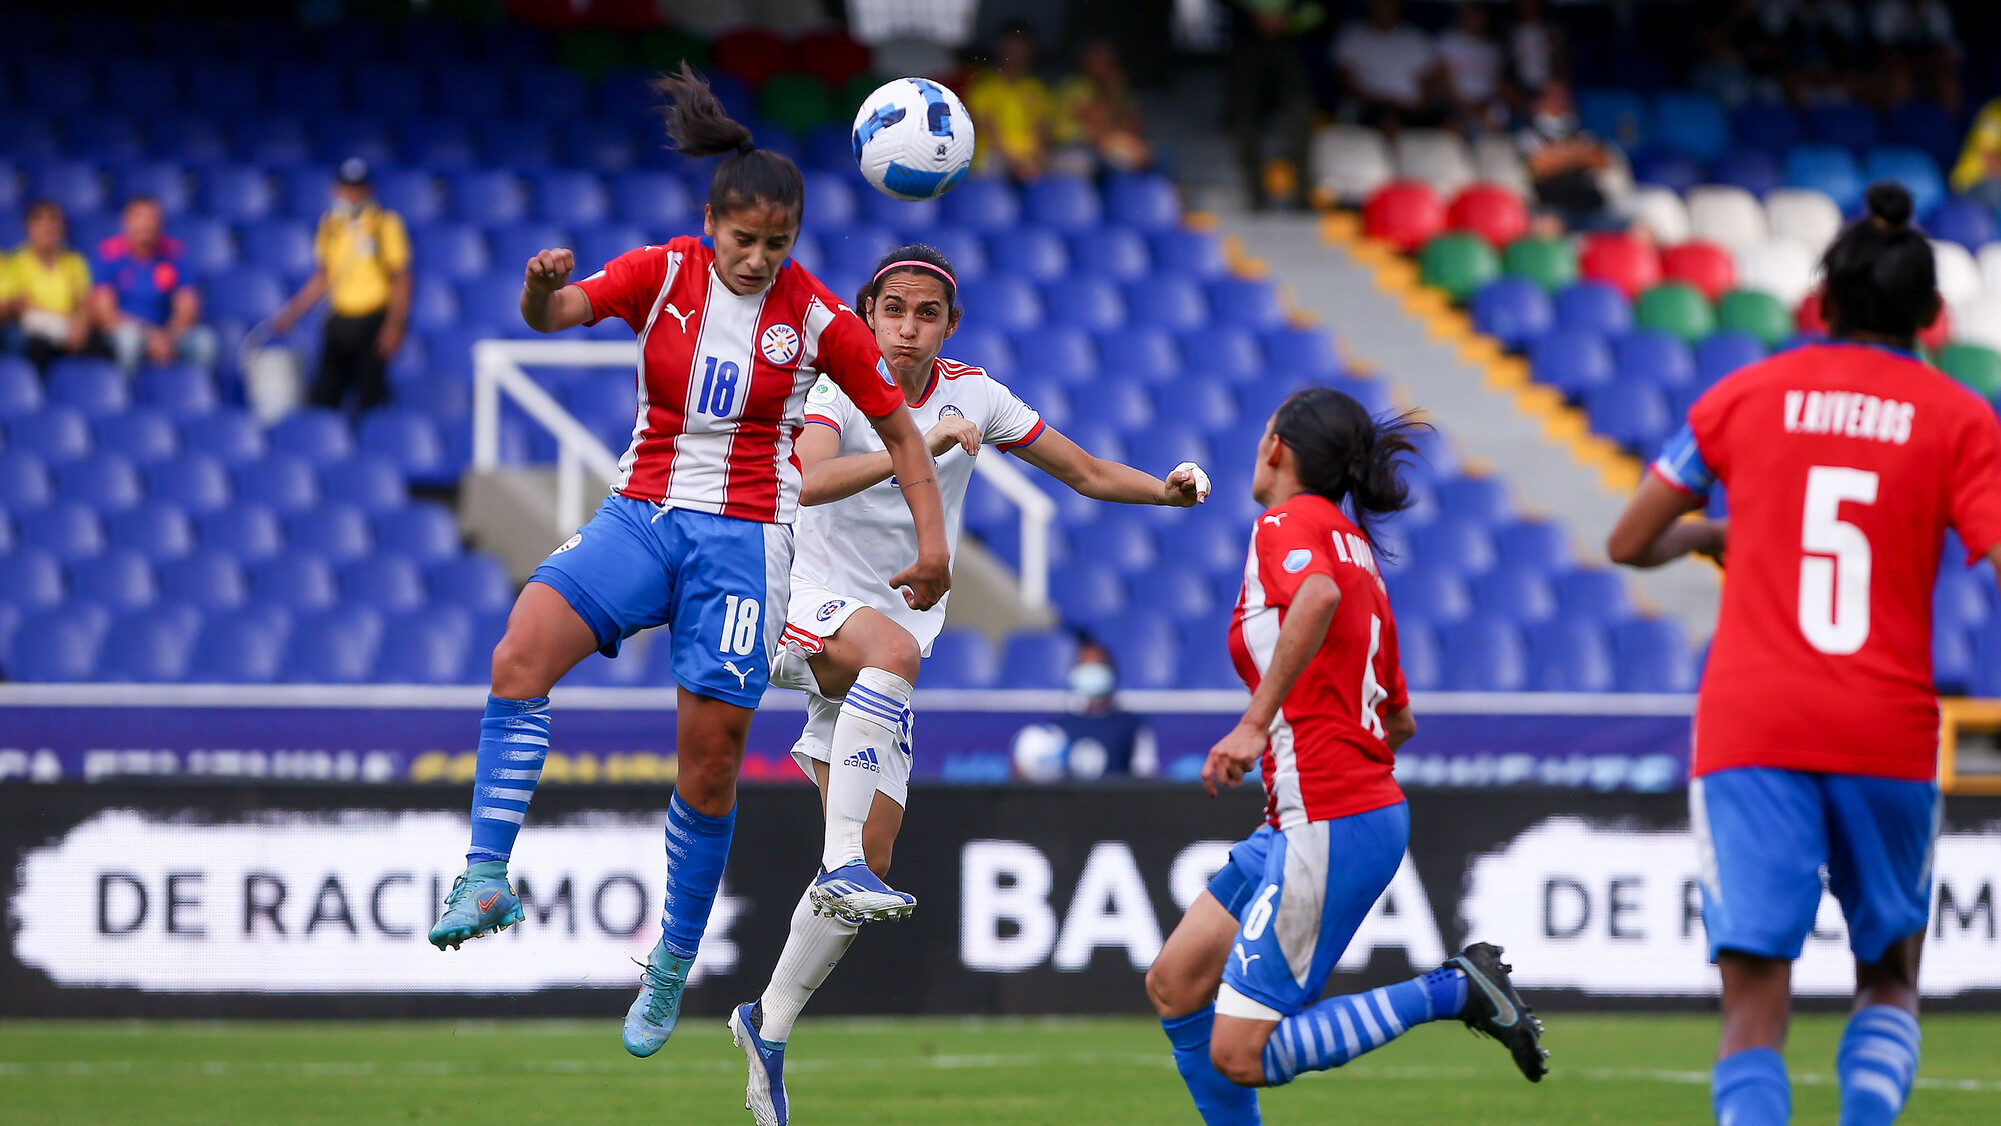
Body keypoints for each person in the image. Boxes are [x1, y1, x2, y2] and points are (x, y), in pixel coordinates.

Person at [422, 66, 953, 1063]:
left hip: (745, 546)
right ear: (711, 224)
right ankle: (486, 871)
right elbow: (561, 311)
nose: (758, 261)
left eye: (778, 245)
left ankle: (671, 957)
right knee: (519, 653)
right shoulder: (663, 272)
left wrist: (931, 545)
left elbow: (903, 436)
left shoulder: (824, 322)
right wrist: (538, 291)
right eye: (744, 241)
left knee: (708, 767)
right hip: (641, 515)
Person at [729, 243, 1211, 1126]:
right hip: (801, 602)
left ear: (949, 326)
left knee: (873, 862)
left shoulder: (974, 395)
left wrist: (1164, 493)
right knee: (889, 667)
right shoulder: (835, 382)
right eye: (893, 310)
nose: (906, 328)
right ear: (867, 314)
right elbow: (811, 479)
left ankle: (767, 1025)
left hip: (886, 638)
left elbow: (1087, 472)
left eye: (925, 314)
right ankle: (837, 862)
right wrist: (913, 447)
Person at [1608, 183, 2001, 1126]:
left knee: (1752, 1003)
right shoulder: (1960, 419)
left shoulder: (1741, 394)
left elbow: (1628, 542)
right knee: (1890, 973)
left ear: (1819, 302)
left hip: (1751, 727)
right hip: (1885, 729)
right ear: (1932, 315)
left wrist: (1708, 535)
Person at [1145, 388, 1546, 1126]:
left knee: (1240, 1053)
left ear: (1277, 450)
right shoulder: (1355, 548)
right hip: (1321, 811)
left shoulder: (1286, 525)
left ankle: (1456, 991)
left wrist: (1255, 726)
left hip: (1327, 814)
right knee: (1175, 982)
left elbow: (1316, 596)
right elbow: (1398, 718)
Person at [270, 158, 412, 412]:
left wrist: (395, 324)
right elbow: (324, 277)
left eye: (358, 187)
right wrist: (292, 314)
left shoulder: (385, 224)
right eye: (347, 187)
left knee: (371, 396)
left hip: (373, 317)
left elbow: (401, 277)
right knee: (325, 393)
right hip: (340, 318)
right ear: (336, 189)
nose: (352, 194)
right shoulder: (331, 225)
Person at [90, 196, 216, 374]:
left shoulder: (175, 253)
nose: (146, 224)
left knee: (204, 342)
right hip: (125, 330)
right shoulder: (108, 254)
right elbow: (105, 313)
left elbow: (188, 308)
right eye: (140, 218)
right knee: (129, 342)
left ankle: (195, 395)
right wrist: (148, 335)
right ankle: (125, 397)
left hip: (168, 331)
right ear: (126, 222)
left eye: (152, 218)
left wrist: (168, 336)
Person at [1219, 0, 1320, 211]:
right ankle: (1256, 196)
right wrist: (1253, 16)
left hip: (1289, 46)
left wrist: (1289, 20)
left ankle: (1303, 195)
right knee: (1243, 121)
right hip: (1247, 43)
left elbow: (1318, 11)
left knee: (1300, 118)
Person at [1009, 639, 1160, 780]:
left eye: (1096, 666)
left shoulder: (1132, 727)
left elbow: (1144, 780)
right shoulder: (1059, 726)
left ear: (1111, 672)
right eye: (1083, 666)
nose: (1089, 673)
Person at [1, 200, 96, 371]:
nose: (48, 228)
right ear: (28, 228)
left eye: (53, 221)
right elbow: (18, 306)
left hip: (69, 329)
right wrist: (61, 318)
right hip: (35, 331)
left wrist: (79, 325)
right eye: (40, 222)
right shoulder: (14, 263)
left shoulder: (74, 262)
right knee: (32, 344)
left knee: (97, 343)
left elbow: (83, 303)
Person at [1517, 81, 1620, 233]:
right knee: (1544, 229)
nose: (1560, 101)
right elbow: (1538, 166)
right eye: (1553, 97)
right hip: (1552, 207)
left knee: (1636, 228)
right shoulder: (1528, 134)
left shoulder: (1580, 130)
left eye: (1563, 97)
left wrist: (1559, 156)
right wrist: (1577, 154)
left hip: (1591, 206)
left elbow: (1601, 160)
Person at [963, 23, 1062, 180]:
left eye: (1022, 49)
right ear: (1000, 51)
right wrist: (1016, 165)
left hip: (1030, 161)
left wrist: (1037, 160)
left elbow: (1043, 132)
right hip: (995, 159)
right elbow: (989, 132)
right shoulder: (984, 87)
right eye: (1011, 49)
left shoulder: (1037, 90)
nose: (1016, 55)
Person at [1332, 0, 1441, 135]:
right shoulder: (1353, 36)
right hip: (1369, 105)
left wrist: (1420, 106)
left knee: (1446, 124)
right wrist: (1382, 103)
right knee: (1388, 120)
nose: (1384, 8)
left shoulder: (1416, 38)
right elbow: (1347, 81)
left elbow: (1428, 83)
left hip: (1410, 108)